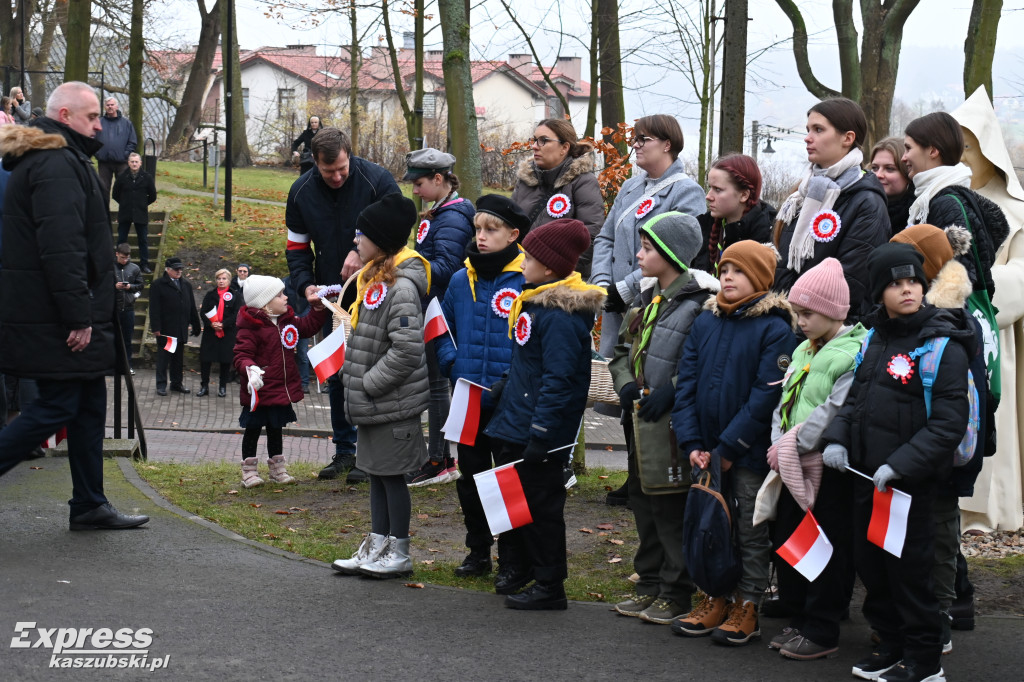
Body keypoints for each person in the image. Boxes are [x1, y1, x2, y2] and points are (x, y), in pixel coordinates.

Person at [0, 81, 148, 529]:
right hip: (57, 314)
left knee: (87, 403)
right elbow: (62, 249)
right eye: (91, 117)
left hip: (56, 308)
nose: (100, 125)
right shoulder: (56, 163)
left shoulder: (58, 158)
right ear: (65, 116)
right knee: (59, 404)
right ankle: (88, 503)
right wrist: (79, 317)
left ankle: (89, 503)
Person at [822, 243, 971, 682]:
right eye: (895, 283)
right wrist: (837, 441)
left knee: (910, 576)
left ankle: (924, 663)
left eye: (913, 282)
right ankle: (890, 646)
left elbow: (948, 424)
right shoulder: (875, 338)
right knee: (874, 570)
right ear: (878, 292)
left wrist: (901, 465)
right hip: (866, 479)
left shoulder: (943, 344)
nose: (906, 290)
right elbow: (854, 403)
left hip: (908, 487)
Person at [671, 241, 798, 645]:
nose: (727, 276)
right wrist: (691, 440)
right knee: (710, 526)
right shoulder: (705, 322)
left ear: (759, 278)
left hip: (746, 453)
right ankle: (715, 596)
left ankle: (748, 603)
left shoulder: (775, 329)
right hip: (706, 449)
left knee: (749, 528)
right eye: (724, 269)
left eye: (738, 271)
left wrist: (728, 448)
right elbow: (685, 383)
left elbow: (764, 397)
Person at [484, 218, 606, 610]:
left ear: (550, 267)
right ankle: (519, 569)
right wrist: (500, 392)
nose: (521, 263)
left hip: (538, 431)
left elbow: (560, 379)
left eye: (529, 257)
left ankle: (550, 583)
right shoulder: (535, 304)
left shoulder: (560, 316)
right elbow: (526, 365)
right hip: (514, 422)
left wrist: (541, 431)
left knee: (541, 509)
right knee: (514, 504)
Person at [592, 113, 706, 504]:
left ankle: (651, 470)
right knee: (625, 382)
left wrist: (624, 290)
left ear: (668, 145)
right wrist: (600, 285)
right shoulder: (630, 185)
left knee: (649, 380)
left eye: (645, 139)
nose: (636, 145)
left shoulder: (686, 191)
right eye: (635, 139)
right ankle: (633, 473)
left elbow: (675, 252)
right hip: (618, 302)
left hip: (652, 300)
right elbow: (606, 237)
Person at [609, 212, 714, 625]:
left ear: (670, 255)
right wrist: (624, 385)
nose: (639, 254)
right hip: (638, 420)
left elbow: (699, 362)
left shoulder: (697, 307)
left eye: (648, 248)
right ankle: (649, 583)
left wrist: (671, 388)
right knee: (641, 501)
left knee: (669, 507)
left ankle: (677, 591)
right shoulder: (646, 299)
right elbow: (620, 350)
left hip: (670, 426)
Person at [890, 223, 989, 651]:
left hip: (945, 449)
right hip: (914, 445)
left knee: (941, 535)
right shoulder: (911, 315)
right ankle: (923, 613)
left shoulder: (950, 320)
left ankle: (942, 615)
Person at [765, 258, 867, 661]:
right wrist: (778, 440)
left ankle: (822, 626)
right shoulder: (804, 348)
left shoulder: (851, 353)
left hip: (823, 465)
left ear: (833, 312)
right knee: (792, 539)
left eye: (807, 313)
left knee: (824, 547)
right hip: (791, 460)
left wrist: (790, 444)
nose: (800, 321)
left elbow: (833, 410)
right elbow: (784, 401)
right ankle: (802, 613)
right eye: (797, 313)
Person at [285, 126, 400, 483]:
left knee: (374, 372)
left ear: (350, 155)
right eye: (327, 171)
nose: (336, 177)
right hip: (331, 299)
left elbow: (399, 225)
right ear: (315, 163)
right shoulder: (301, 192)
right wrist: (305, 287)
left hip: (377, 292)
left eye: (341, 169)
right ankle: (345, 452)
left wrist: (360, 248)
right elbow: (297, 249)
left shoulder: (376, 180)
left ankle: (375, 453)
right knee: (337, 373)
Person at [330, 193, 430, 578]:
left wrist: (369, 383)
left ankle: (399, 550)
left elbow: (406, 350)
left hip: (392, 404)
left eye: (362, 235)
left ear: (381, 239)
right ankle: (376, 543)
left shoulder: (402, 289)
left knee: (392, 479)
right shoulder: (378, 281)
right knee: (376, 473)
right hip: (375, 405)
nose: (356, 240)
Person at [434, 194, 530, 578]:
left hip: (508, 399)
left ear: (513, 234)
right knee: (471, 479)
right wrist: (450, 362)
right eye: (478, 229)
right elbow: (442, 325)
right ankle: (478, 552)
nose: (482, 237)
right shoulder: (461, 279)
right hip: (469, 394)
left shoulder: (526, 278)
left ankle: (511, 558)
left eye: (492, 230)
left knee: (506, 479)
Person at [951, 88, 1024, 537]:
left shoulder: (1016, 210)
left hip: (995, 335)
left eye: (969, 145)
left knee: (992, 417)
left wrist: (971, 296)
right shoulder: (947, 199)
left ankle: (989, 509)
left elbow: (1020, 275)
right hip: (947, 332)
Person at [773, 97, 891, 320]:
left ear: (848, 138)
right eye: (808, 129)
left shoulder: (866, 202)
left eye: (818, 130)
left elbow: (851, 284)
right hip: (788, 322)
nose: (808, 138)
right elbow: (783, 264)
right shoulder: (801, 195)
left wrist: (801, 320)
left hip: (828, 332)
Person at [404, 148, 475, 486]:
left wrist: (404, 263)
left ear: (439, 179)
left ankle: (439, 460)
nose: (415, 191)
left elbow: (446, 268)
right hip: (434, 306)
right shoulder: (440, 212)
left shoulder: (453, 217)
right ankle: (440, 456)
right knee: (436, 384)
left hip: (442, 310)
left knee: (437, 386)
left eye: (419, 183)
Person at [234, 275, 327, 488]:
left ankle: (277, 467)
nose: (286, 298)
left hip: (280, 390)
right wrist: (251, 369)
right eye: (280, 295)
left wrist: (318, 310)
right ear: (265, 302)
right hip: (260, 390)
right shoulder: (251, 327)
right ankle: (249, 471)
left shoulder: (288, 320)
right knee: (253, 428)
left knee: (276, 428)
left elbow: (308, 326)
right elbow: (241, 354)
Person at [511, 118, 604, 278]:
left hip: (559, 281)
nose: (534, 146)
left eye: (543, 141)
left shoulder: (583, 182)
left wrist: (555, 270)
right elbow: (508, 228)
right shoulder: (525, 181)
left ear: (564, 147)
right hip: (518, 272)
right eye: (534, 140)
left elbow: (590, 237)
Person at [692, 153, 776, 275]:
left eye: (718, 189)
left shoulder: (768, 234)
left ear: (744, 195)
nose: (708, 196)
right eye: (710, 188)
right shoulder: (702, 227)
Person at [149, 256, 201, 396]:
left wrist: (196, 325)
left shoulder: (186, 285)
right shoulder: (158, 285)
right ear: (168, 270)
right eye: (176, 269)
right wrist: (156, 328)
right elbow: (154, 308)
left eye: (180, 269)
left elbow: (191, 307)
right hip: (166, 329)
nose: (179, 271)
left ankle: (176, 383)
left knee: (178, 359)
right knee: (164, 358)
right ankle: (161, 384)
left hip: (180, 328)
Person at [112, 151, 157, 273]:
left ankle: (144, 264)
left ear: (140, 163)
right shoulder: (122, 176)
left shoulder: (147, 177)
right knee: (121, 239)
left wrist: (142, 203)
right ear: (128, 163)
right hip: (125, 213)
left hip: (141, 213)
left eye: (136, 162)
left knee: (143, 240)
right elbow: (115, 194)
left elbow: (153, 195)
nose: (134, 164)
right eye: (132, 162)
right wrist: (125, 203)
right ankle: (119, 263)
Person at [198, 268, 240, 397]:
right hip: (211, 332)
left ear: (229, 280)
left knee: (225, 360)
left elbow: (236, 314)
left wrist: (223, 324)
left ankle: (222, 387)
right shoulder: (210, 295)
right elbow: (203, 312)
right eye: (219, 279)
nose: (221, 281)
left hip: (227, 332)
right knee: (205, 359)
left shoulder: (235, 295)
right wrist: (212, 324)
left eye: (224, 279)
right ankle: (204, 386)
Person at [94, 97, 138, 216]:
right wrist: (98, 154)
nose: (110, 107)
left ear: (117, 106)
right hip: (104, 162)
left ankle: (124, 214)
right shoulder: (99, 122)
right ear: (105, 107)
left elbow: (132, 141)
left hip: (122, 162)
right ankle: (103, 214)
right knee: (103, 189)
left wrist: (125, 154)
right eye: (108, 105)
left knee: (123, 188)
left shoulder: (126, 123)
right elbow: (92, 138)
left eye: (112, 104)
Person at [869, 137, 915, 236]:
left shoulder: (919, 212)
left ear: (907, 173)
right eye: (874, 168)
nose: (878, 174)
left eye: (889, 169)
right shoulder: (860, 205)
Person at [114, 243, 144, 374]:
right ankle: (112, 365)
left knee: (127, 338)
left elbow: (141, 285)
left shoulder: (134, 268)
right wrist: (114, 286)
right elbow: (101, 284)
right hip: (113, 308)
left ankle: (128, 365)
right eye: (122, 258)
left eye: (127, 258)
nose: (125, 260)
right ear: (117, 254)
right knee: (112, 338)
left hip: (128, 308)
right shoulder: (110, 267)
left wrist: (129, 287)